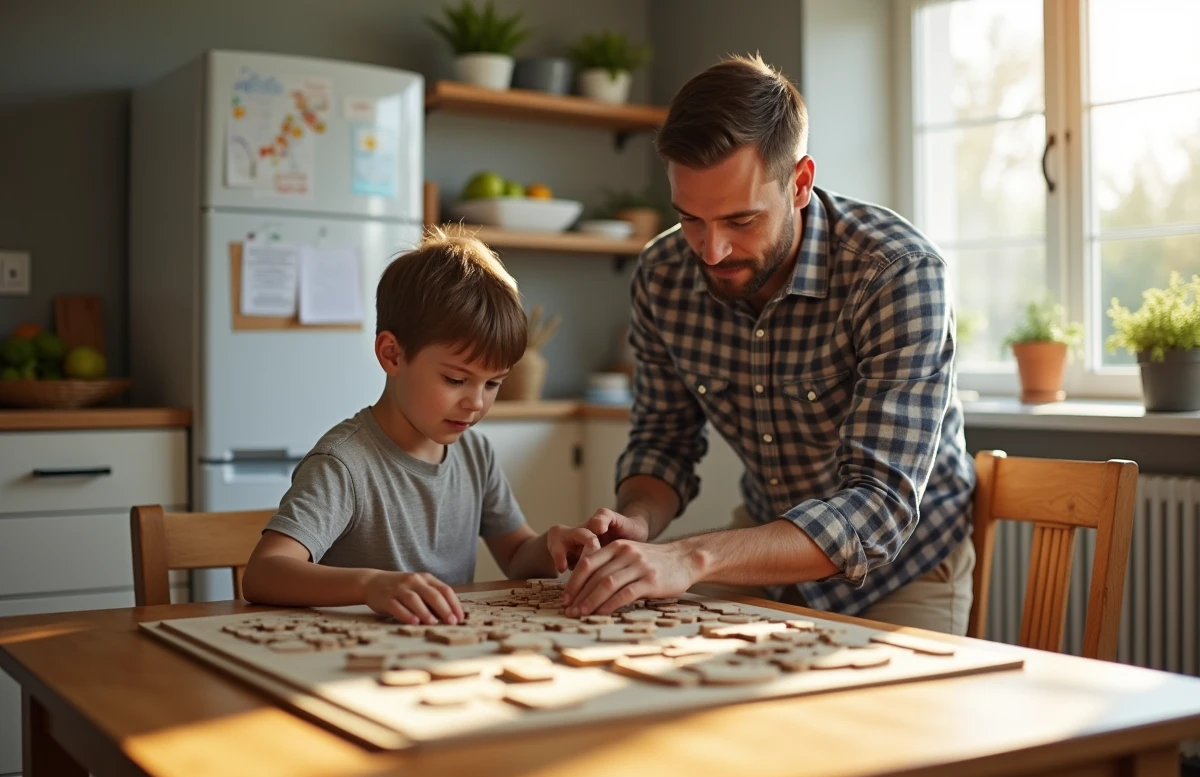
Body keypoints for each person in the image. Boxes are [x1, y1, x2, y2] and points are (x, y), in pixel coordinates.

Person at [549, 55, 977, 635]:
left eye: (741, 220)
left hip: (906, 570)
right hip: (765, 556)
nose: (711, 250)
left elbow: (879, 509)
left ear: (799, 184)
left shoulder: (896, 273)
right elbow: (663, 441)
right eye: (691, 219)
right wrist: (636, 522)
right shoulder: (662, 274)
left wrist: (689, 557)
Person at [242, 228, 597, 624]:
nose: (476, 402)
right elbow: (263, 572)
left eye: (493, 383)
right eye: (455, 380)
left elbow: (516, 556)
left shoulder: (474, 454)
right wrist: (371, 586)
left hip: (442, 657)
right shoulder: (343, 464)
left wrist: (552, 546)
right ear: (392, 355)